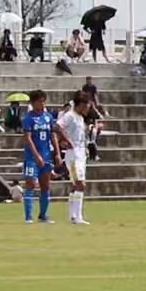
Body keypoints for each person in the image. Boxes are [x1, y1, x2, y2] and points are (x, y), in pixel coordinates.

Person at [20, 90, 62, 224]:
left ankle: (43, 216)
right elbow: (28, 138)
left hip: (46, 156)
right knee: (31, 184)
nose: (42, 103)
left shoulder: (48, 116)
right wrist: (36, 155)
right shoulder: (28, 118)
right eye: (40, 101)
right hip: (32, 157)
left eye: (44, 101)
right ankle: (28, 217)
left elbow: (52, 135)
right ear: (33, 103)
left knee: (45, 186)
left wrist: (57, 152)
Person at [59, 92, 92, 225]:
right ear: (81, 104)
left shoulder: (80, 117)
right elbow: (57, 127)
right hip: (73, 155)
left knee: (75, 185)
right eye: (87, 105)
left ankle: (73, 215)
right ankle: (77, 216)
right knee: (80, 184)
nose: (88, 108)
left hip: (80, 153)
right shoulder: (70, 116)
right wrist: (67, 140)